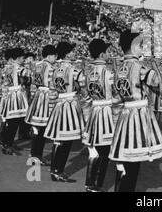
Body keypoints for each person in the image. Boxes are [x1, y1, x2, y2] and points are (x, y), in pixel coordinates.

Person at [109, 29, 162, 192]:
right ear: (134, 46)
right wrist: (158, 66)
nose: (142, 48)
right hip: (137, 117)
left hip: (124, 116)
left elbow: (115, 100)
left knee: (123, 160)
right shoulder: (138, 67)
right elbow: (158, 82)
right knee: (134, 162)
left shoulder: (119, 69)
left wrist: (116, 121)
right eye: (140, 45)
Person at [81, 38, 120, 192]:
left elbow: (85, 97)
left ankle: (90, 183)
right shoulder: (109, 73)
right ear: (103, 54)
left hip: (93, 112)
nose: (109, 54)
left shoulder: (88, 72)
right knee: (104, 151)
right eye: (108, 52)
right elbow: (117, 96)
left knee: (94, 149)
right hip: (106, 113)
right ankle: (94, 184)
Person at [44, 42, 85, 183]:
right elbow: (83, 88)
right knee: (66, 140)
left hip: (58, 106)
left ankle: (55, 170)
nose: (74, 53)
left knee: (58, 139)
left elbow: (52, 92)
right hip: (70, 105)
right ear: (67, 53)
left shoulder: (54, 70)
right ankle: (57, 171)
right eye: (72, 51)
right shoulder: (74, 70)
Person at [25, 45, 58, 166]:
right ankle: (36, 155)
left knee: (38, 129)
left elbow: (33, 84)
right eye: (55, 56)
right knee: (42, 129)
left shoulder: (37, 66)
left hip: (38, 96)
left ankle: (34, 154)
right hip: (47, 97)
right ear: (50, 55)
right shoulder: (51, 68)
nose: (55, 58)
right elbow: (53, 86)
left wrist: (33, 97)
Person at [0, 48, 29, 155]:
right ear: (18, 58)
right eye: (22, 58)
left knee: (9, 121)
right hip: (16, 97)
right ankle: (7, 144)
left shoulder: (4, 69)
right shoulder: (20, 69)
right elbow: (28, 78)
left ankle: (5, 142)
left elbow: (0, 82)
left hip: (7, 96)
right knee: (14, 122)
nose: (23, 60)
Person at [17, 52, 36, 141]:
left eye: (32, 59)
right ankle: (22, 133)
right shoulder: (22, 69)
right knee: (24, 114)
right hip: (25, 93)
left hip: (33, 93)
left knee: (30, 114)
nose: (31, 60)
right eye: (29, 58)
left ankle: (26, 132)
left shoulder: (35, 69)